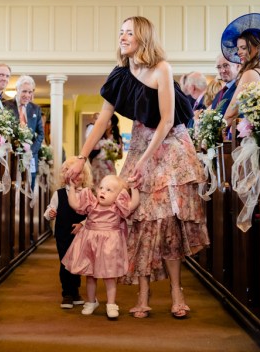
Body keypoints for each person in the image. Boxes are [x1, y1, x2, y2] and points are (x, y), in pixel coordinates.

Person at [65, 16, 209, 319]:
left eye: (129, 32)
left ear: (142, 37)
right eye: (120, 32)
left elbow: (168, 120)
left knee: (168, 222)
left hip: (169, 146)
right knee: (140, 220)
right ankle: (143, 295)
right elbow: (103, 118)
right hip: (142, 143)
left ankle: (175, 291)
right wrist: (80, 156)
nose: (123, 37)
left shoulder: (162, 69)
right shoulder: (120, 74)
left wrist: (143, 162)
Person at [61, 175, 141, 319]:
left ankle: (111, 303)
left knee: (109, 276)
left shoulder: (118, 208)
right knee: (91, 276)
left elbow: (133, 204)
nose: (103, 192)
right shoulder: (92, 204)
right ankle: (91, 301)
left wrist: (134, 188)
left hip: (109, 245)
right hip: (91, 244)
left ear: (118, 196)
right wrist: (72, 187)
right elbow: (74, 204)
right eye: (102, 188)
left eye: (109, 190)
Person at [43, 156, 93, 309]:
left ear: (85, 175)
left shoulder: (87, 193)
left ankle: (75, 291)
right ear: (65, 176)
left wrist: (82, 224)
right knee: (65, 263)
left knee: (76, 264)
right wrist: (50, 213)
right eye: (71, 174)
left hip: (80, 235)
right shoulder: (58, 194)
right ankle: (67, 293)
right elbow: (49, 209)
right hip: (63, 234)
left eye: (79, 174)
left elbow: (93, 215)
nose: (76, 177)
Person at [220, 13, 260, 126]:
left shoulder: (250, 73)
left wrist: (218, 132)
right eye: (238, 48)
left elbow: (232, 112)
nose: (239, 52)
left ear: (258, 47)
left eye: (243, 48)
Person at [4, 75, 45, 187]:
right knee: (12, 187)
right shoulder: (6, 105)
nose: (27, 95)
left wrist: (31, 151)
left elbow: (41, 133)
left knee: (29, 187)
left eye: (30, 92)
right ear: (17, 90)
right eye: (24, 91)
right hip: (12, 155)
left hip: (31, 157)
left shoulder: (35, 108)